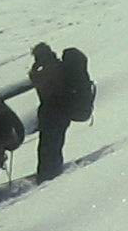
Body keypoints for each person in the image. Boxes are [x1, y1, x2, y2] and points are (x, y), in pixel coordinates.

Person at [29, 42, 94, 181]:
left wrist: (34, 70)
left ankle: (48, 174)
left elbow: (40, 84)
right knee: (54, 144)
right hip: (61, 111)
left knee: (48, 146)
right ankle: (52, 170)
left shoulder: (49, 68)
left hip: (53, 111)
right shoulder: (58, 65)